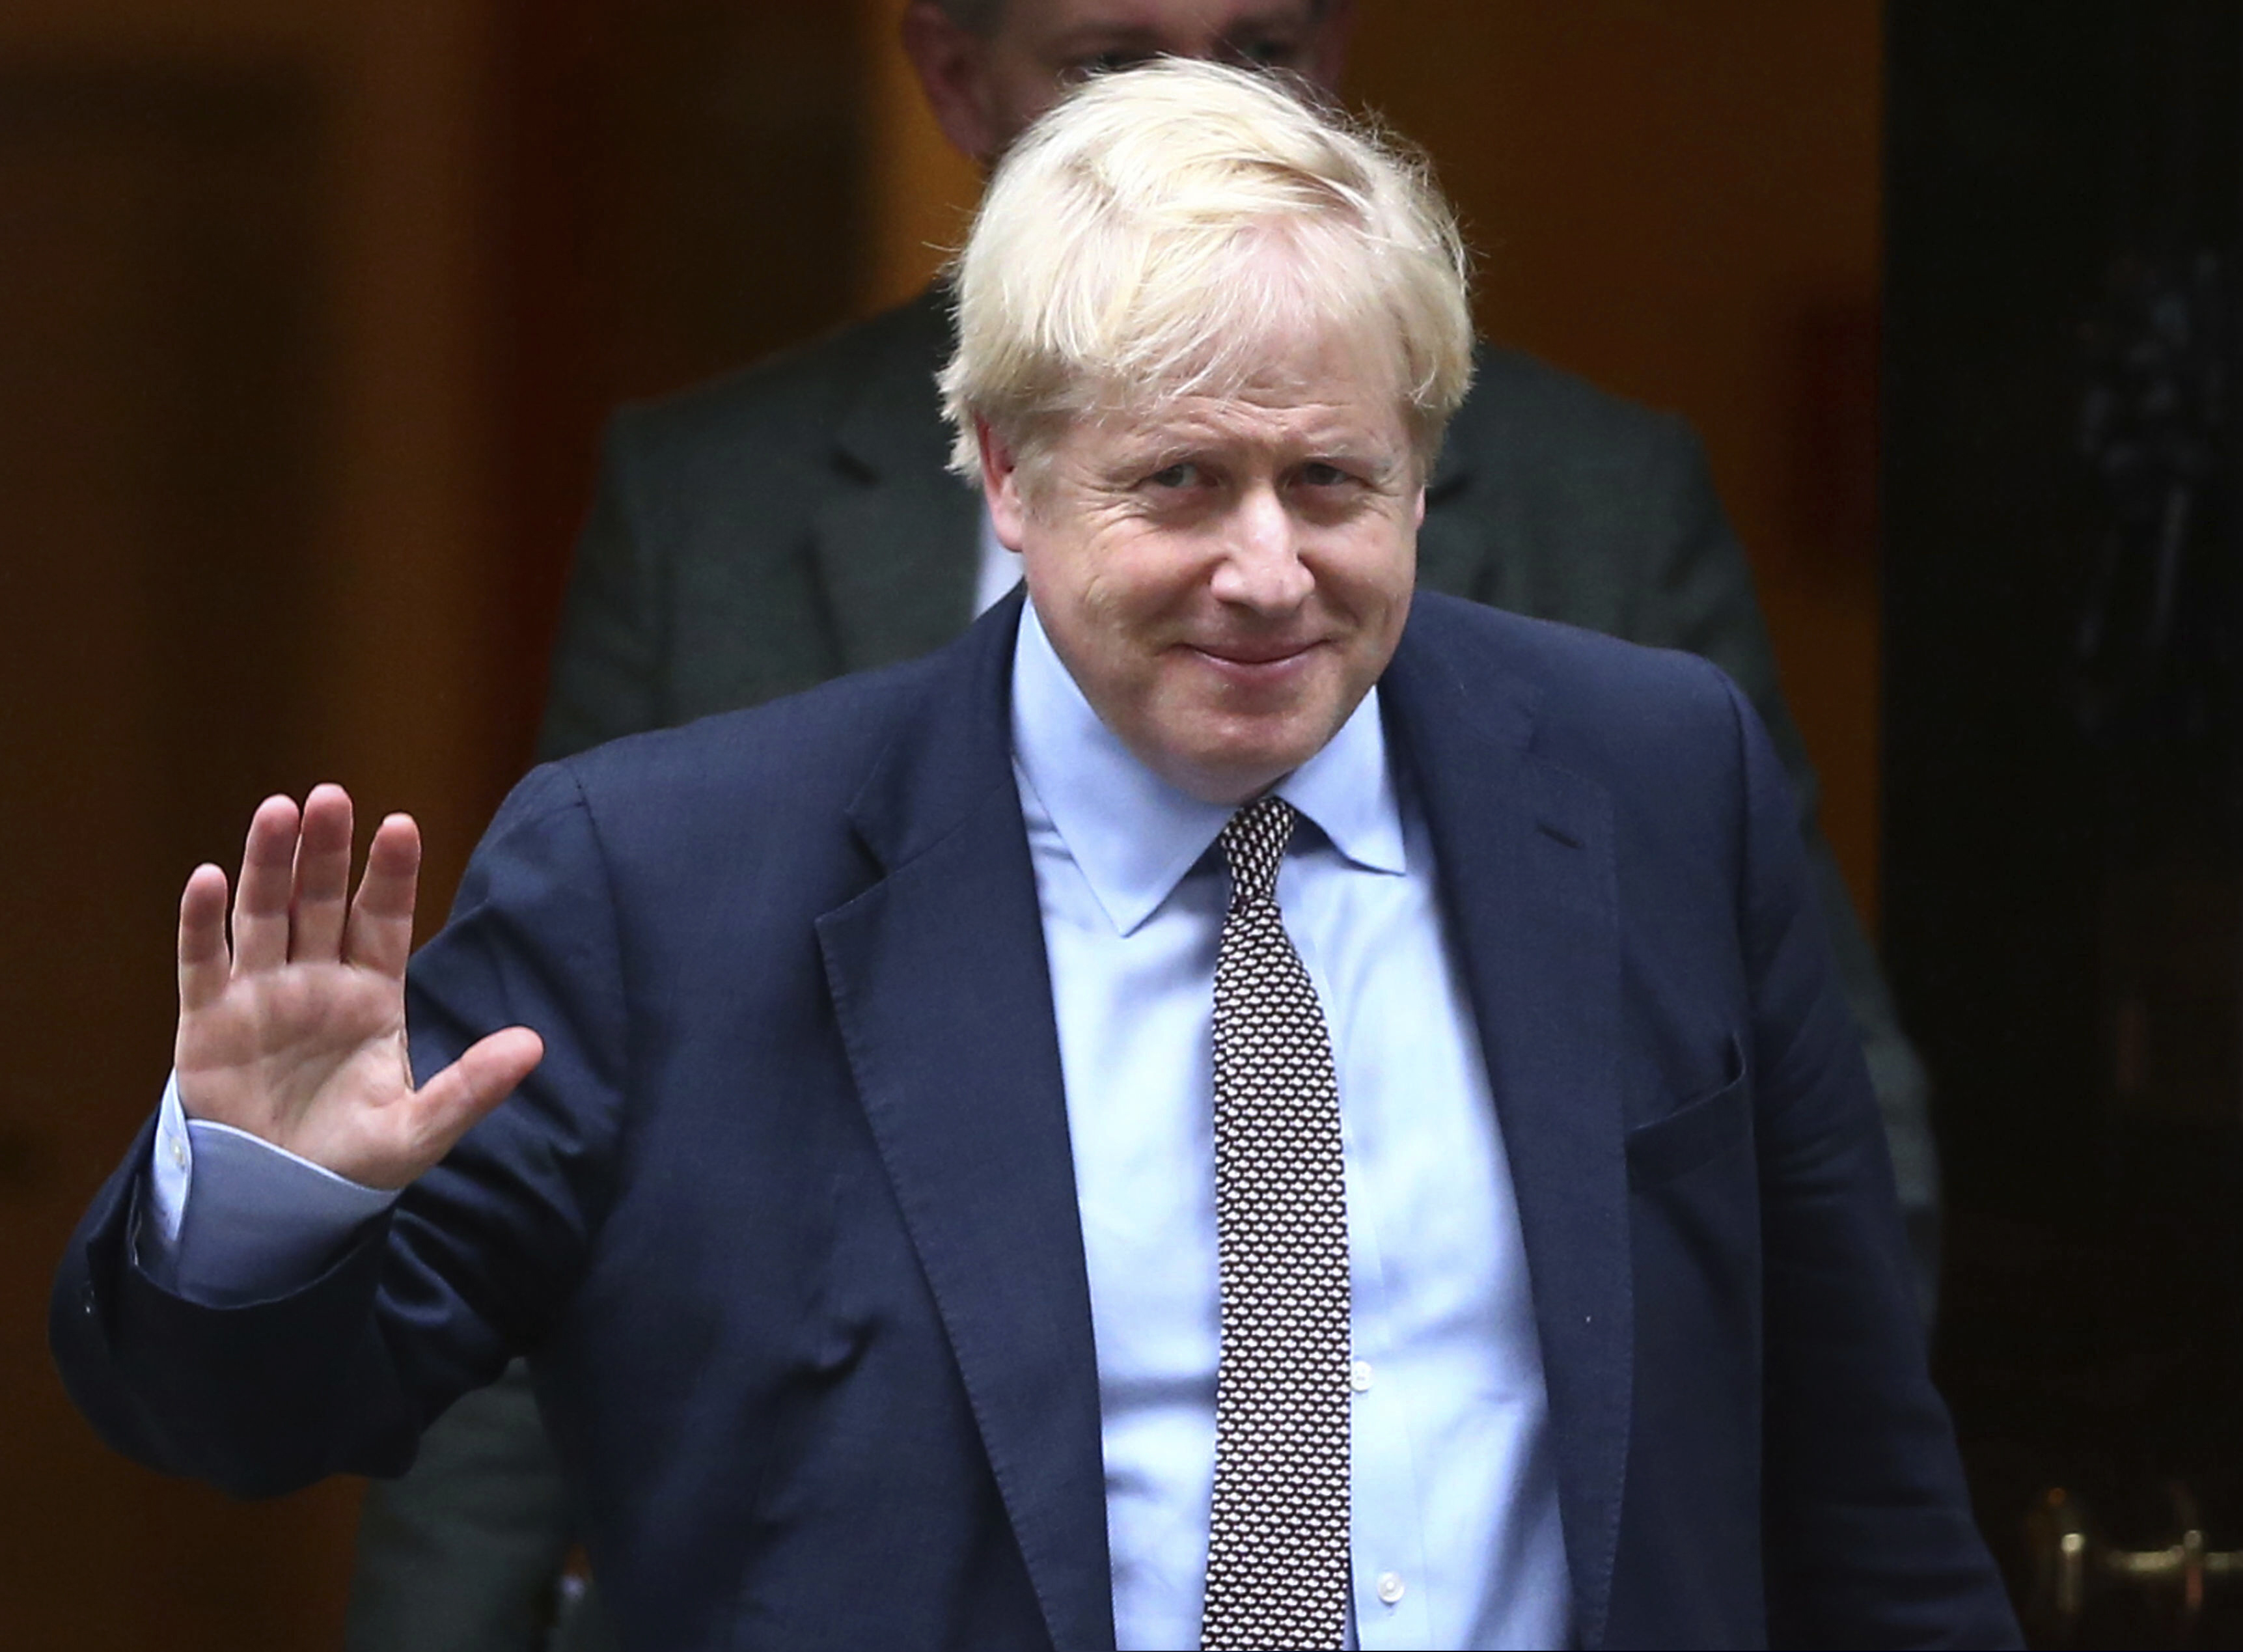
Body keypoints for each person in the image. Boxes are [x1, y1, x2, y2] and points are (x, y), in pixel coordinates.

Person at [55, 61, 2009, 1650]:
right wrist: (264, 1202)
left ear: (1424, 466)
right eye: (1176, 483)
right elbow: (270, 1419)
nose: (1267, 571)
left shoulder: (1655, 780)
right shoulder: (667, 878)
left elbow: (1859, 1478)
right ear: (1003, 472)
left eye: (1332, 481)